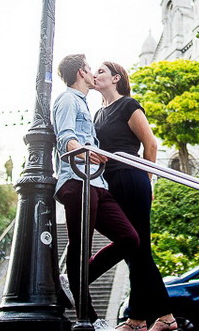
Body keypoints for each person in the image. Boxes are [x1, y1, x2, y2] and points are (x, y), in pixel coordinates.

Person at [53, 54, 140, 326]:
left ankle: (72, 280)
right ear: (81, 72)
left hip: (97, 184)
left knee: (129, 238)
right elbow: (65, 137)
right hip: (77, 181)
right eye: (91, 69)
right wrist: (85, 153)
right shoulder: (67, 99)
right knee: (80, 246)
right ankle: (88, 319)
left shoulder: (83, 104)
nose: (94, 74)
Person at [93, 61, 178, 331]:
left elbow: (150, 143)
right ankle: (144, 318)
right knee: (133, 249)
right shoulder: (98, 113)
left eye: (101, 71)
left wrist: (147, 178)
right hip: (111, 181)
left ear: (116, 78)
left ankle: (153, 318)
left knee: (138, 248)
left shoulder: (128, 105)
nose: (95, 75)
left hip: (132, 177)